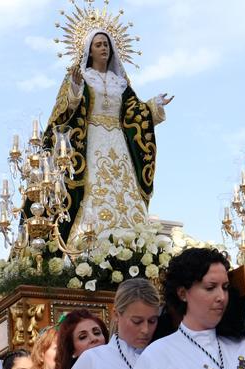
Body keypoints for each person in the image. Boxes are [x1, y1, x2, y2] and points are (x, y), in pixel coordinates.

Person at [44, 29, 172, 243]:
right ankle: (88, 238)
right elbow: (63, 114)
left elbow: (135, 112)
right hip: (91, 141)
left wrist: (154, 105)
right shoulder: (80, 77)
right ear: (89, 51)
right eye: (98, 45)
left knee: (125, 187)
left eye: (106, 44)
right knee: (93, 185)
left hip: (119, 143)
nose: (104, 48)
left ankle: (134, 240)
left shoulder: (120, 82)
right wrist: (75, 90)